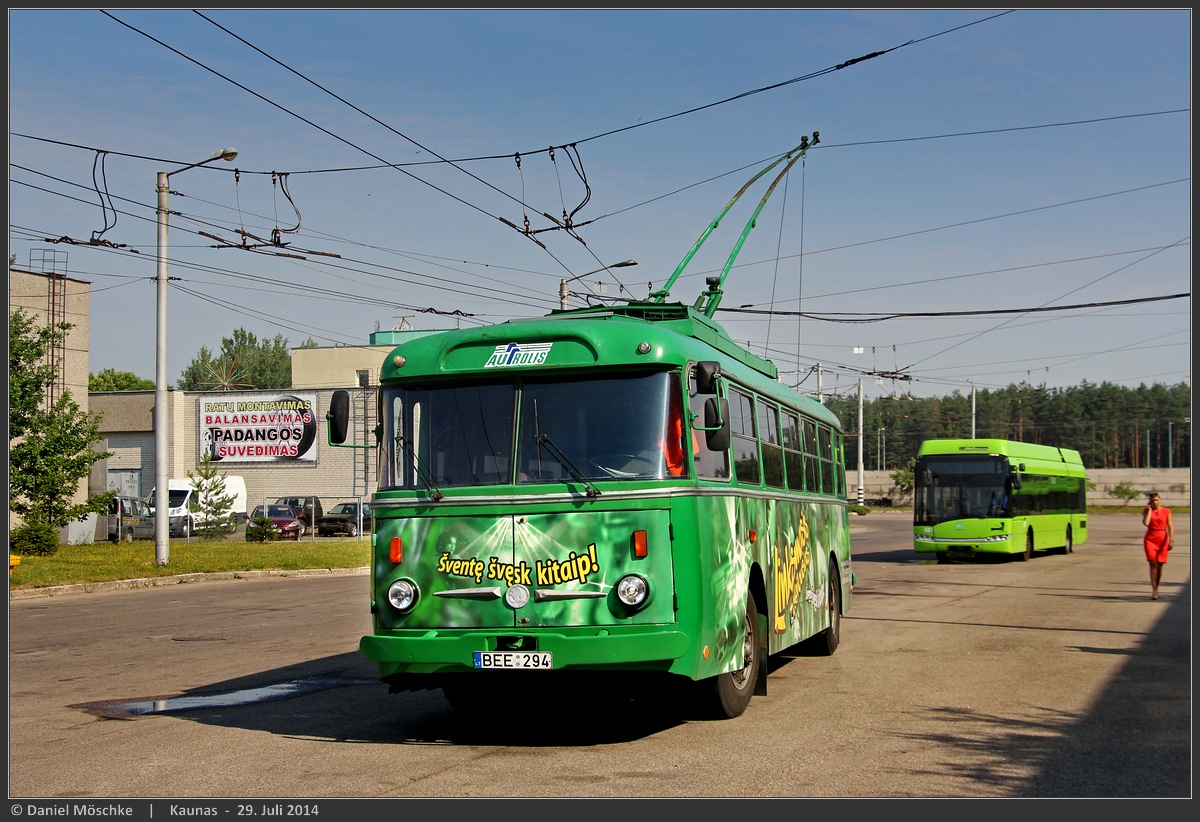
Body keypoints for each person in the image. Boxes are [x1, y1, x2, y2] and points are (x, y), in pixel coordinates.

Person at [1141, 492, 1174, 600]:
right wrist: (1150, 510)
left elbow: (1170, 526)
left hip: (1162, 538)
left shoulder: (1166, 511)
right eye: (1152, 500)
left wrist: (1171, 540)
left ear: (1160, 500)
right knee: (1153, 563)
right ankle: (1154, 590)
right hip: (1150, 538)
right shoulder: (1147, 511)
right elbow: (1146, 523)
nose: (1154, 502)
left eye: (1156, 500)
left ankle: (1157, 587)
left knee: (1160, 565)